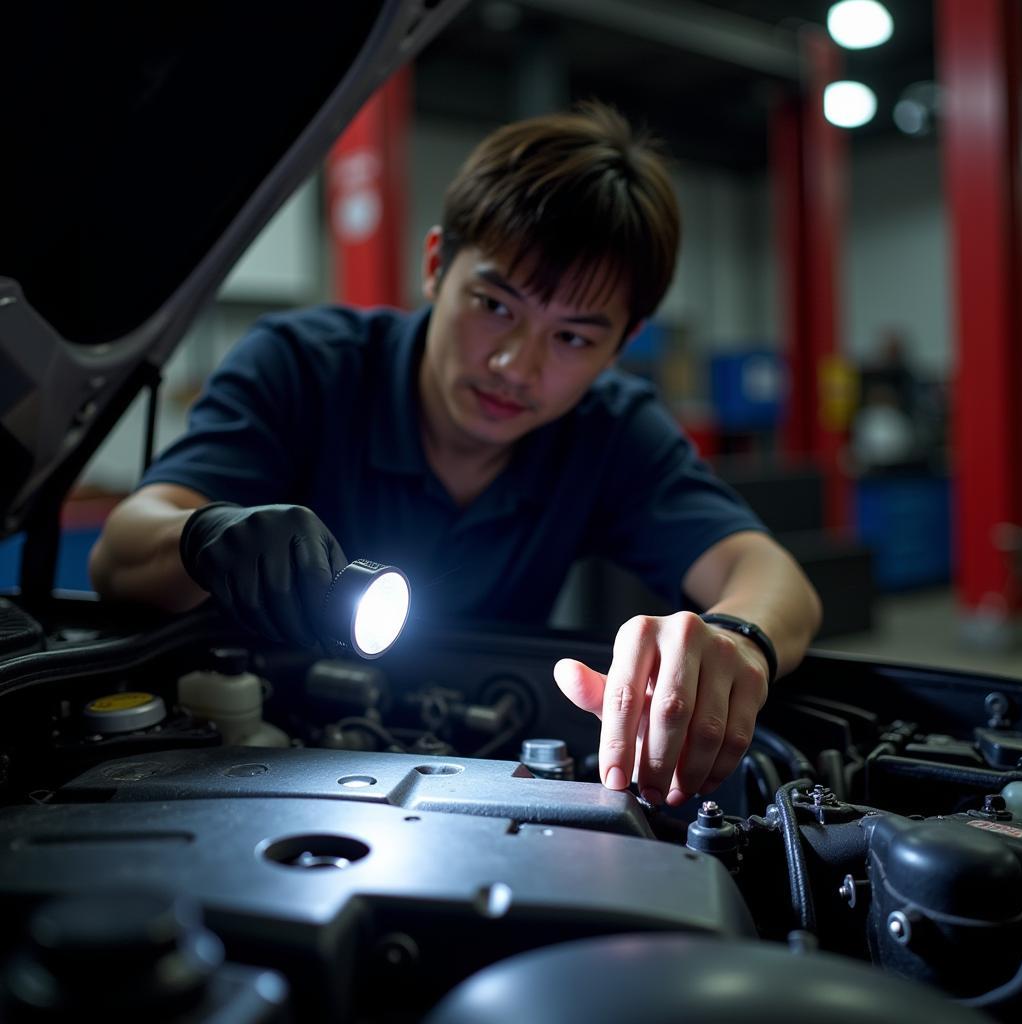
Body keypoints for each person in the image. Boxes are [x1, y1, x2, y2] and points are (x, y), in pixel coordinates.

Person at [89, 101, 821, 808]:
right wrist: (202, 537)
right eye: (495, 304)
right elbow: (121, 550)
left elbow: (770, 576)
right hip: (253, 767)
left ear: (620, 346)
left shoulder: (612, 430)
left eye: (572, 338)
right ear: (438, 265)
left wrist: (735, 640)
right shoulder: (303, 368)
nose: (514, 364)